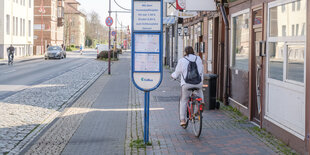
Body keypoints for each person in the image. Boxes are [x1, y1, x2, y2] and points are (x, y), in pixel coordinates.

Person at [171, 46, 204, 126]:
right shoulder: (198, 58)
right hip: (198, 83)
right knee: (199, 91)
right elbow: (201, 70)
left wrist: (173, 76)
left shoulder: (182, 60)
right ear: (193, 51)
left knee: (184, 100)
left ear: (185, 52)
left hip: (187, 84)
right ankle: (201, 104)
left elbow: (176, 73)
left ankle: (182, 120)